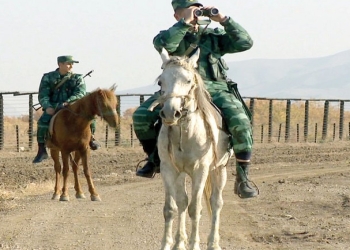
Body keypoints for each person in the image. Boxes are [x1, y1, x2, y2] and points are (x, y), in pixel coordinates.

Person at [132, 0, 258, 198]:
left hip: (214, 89)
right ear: (176, 15)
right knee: (140, 116)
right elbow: (167, 45)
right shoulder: (166, 36)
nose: (196, 14)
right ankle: (153, 159)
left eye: (198, 10)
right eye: (190, 10)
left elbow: (245, 43)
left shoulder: (213, 37)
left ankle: (243, 178)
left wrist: (223, 19)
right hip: (178, 89)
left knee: (241, 122)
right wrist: (185, 23)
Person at [33, 55, 101, 164]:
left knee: (90, 119)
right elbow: (43, 94)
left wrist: (68, 102)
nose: (71, 66)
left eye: (72, 64)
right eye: (68, 63)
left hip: (73, 107)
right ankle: (42, 149)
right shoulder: (48, 77)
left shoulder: (77, 78)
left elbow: (80, 93)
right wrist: (48, 106)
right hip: (54, 106)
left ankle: (91, 139)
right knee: (42, 122)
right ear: (60, 64)